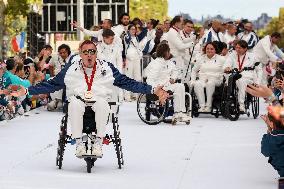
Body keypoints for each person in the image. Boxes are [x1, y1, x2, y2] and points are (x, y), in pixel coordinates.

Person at [8, 40, 168, 158]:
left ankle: (98, 143)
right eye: (86, 52)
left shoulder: (107, 67)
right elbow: (52, 84)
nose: (89, 55)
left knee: (103, 103)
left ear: (96, 53)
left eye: (92, 51)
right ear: (80, 53)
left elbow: (128, 83)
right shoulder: (71, 68)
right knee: (75, 104)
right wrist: (27, 90)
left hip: (99, 104)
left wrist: (152, 89)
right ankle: (79, 144)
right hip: (78, 104)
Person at [145, 43, 190, 123]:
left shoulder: (168, 62)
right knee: (178, 87)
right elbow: (150, 79)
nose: (169, 54)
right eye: (168, 52)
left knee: (180, 86)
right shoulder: (156, 64)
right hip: (158, 87)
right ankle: (178, 113)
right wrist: (157, 88)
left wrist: (173, 78)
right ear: (165, 52)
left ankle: (179, 113)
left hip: (167, 85)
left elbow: (175, 71)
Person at [224, 40, 262, 112]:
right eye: (236, 47)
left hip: (248, 77)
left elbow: (259, 70)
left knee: (241, 81)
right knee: (229, 79)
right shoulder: (232, 55)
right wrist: (227, 67)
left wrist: (257, 82)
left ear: (245, 49)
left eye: (240, 48)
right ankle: (230, 100)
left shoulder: (253, 56)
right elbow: (227, 63)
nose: (237, 49)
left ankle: (241, 104)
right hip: (235, 76)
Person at [191, 42, 225, 112]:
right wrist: (193, 80)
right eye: (207, 49)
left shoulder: (221, 59)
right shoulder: (201, 58)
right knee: (197, 84)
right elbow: (194, 70)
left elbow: (227, 70)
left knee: (210, 83)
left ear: (215, 50)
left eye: (212, 49)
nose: (209, 50)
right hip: (203, 79)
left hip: (216, 79)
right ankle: (202, 106)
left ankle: (208, 106)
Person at [166, 16, 195, 80]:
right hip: (175, 59)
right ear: (176, 23)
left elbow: (183, 40)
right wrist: (193, 43)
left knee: (181, 78)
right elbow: (180, 46)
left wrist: (192, 39)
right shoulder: (172, 32)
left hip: (179, 59)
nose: (183, 24)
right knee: (177, 79)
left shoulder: (176, 31)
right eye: (182, 22)